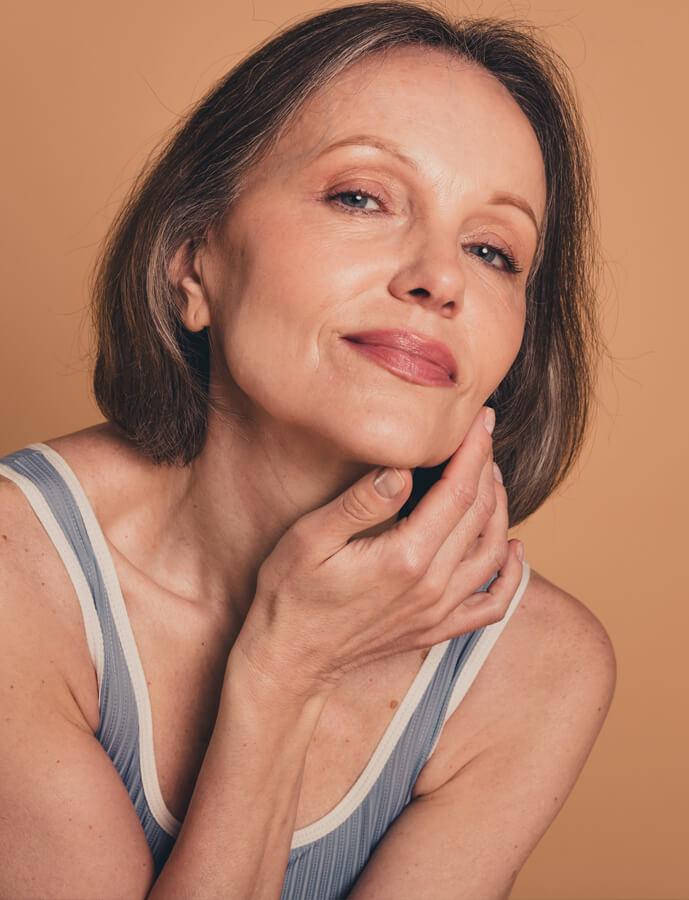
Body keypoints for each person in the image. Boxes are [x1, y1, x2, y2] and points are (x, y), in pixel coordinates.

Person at [0, 2, 616, 897]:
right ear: (192, 259)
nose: (440, 279)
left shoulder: (538, 671)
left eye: (492, 250)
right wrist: (285, 670)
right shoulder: (17, 579)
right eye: (360, 196)